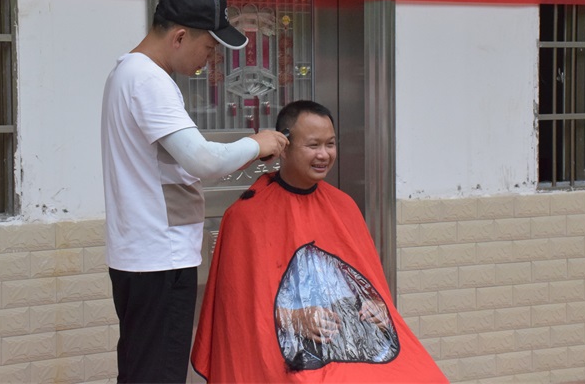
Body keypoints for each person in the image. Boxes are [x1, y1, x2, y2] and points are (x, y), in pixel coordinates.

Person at [100, 0, 289, 384]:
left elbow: (175, 160)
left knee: (140, 369)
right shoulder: (149, 80)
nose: (211, 57)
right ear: (180, 36)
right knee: (158, 374)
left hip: (140, 253)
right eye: (209, 46)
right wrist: (257, 143)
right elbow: (202, 159)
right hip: (160, 257)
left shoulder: (126, 73)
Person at [191, 100, 448, 383]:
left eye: (330, 144)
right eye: (313, 145)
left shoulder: (344, 206)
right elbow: (238, 311)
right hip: (284, 355)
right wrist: (293, 318)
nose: (324, 154)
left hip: (353, 347)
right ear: (283, 146)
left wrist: (375, 306)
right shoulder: (246, 215)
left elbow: (369, 282)